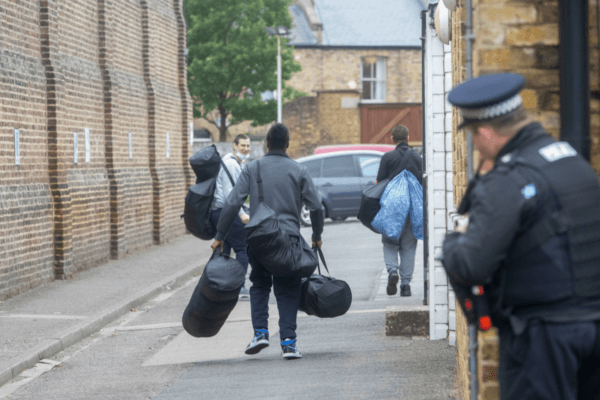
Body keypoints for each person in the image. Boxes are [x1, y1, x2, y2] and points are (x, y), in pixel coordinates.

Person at [442, 73, 600, 400]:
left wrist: (454, 242)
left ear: (486, 132)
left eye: (473, 134)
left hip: (544, 338)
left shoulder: (507, 180)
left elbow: (472, 265)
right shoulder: (572, 160)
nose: (475, 143)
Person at [211, 123, 324, 360]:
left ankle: (260, 333)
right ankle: (289, 343)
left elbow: (232, 203)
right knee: (287, 288)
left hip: (260, 239)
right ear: (288, 143)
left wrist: (220, 236)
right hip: (289, 241)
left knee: (260, 284)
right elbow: (316, 208)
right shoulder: (299, 170)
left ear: (267, 144)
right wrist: (316, 236)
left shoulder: (252, 168)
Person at [375, 125, 422, 297]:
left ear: (392, 139)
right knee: (409, 246)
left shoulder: (387, 158)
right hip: (411, 209)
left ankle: (393, 271)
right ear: (408, 138)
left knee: (389, 243)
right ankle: (406, 285)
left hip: (392, 208)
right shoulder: (418, 158)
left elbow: (380, 183)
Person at [210, 134, 252, 300]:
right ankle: (239, 287)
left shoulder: (233, 162)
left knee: (225, 250)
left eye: (248, 146)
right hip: (225, 211)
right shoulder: (231, 164)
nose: (245, 149)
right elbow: (230, 194)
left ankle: (221, 287)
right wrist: (242, 214)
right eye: (242, 145)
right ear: (234, 145)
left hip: (219, 212)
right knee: (244, 248)